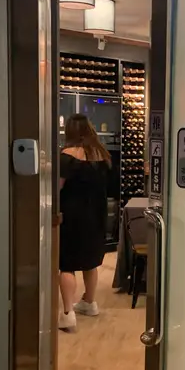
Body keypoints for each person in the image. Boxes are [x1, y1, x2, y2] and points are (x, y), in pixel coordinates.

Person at [58, 113, 111, 330]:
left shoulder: (66, 156)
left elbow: (58, 186)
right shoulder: (102, 155)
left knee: (66, 264)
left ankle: (68, 313)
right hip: (96, 215)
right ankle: (89, 302)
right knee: (90, 261)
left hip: (72, 216)